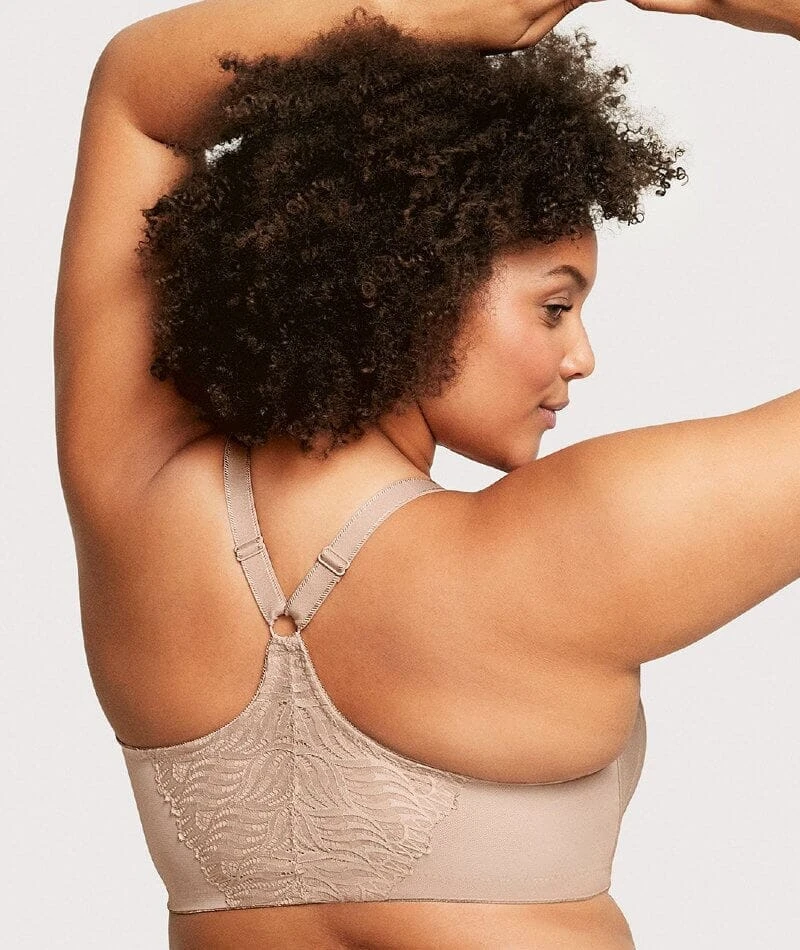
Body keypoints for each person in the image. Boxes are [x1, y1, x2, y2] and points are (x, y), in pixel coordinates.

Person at [54, 2, 800, 949]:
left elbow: (136, 95)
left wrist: (442, 7)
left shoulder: (132, 494)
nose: (581, 356)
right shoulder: (574, 543)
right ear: (419, 279)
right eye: (555, 305)